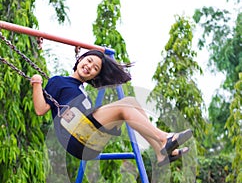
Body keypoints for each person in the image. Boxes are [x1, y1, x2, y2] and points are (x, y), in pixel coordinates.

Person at [31, 49, 192, 166]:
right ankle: (164, 138)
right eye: (88, 61)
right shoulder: (58, 81)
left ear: (95, 77)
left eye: (95, 69)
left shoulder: (82, 91)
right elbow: (40, 109)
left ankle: (160, 152)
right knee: (124, 108)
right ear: (80, 59)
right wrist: (37, 83)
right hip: (75, 139)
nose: (89, 67)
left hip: (90, 140)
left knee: (130, 102)